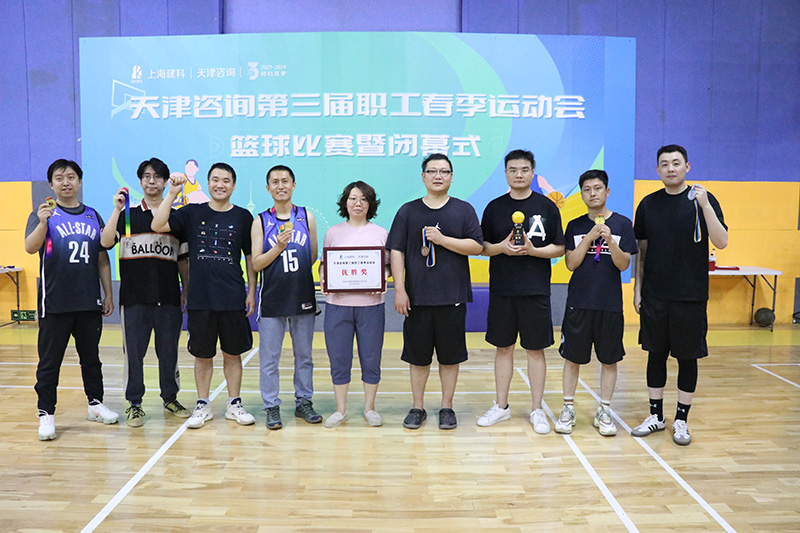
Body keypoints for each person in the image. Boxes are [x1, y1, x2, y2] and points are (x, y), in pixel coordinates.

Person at [632, 144, 727, 445]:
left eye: (676, 163)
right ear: (657, 170)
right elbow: (641, 251)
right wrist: (637, 288)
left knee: (687, 357)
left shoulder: (704, 200)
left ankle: (681, 420)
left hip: (690, 295)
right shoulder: (648, 204)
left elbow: (721, 241)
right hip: (655, 294)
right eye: (664, 164)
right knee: (655, 354)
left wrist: (706, 205)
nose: (670, 168)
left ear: (687, 167)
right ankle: (656, 416)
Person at [151, 162, 257, 429]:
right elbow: (158, 223)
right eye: (215, 180)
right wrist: (172, 193)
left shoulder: (243, 217)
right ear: (208, 183)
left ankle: (234, 403)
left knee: (233, 353)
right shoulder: (192, 212)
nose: (220, 185)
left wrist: (252, 291)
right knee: (202, 355)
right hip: (200, 298)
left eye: (226, 180)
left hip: (232, 296)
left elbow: (250, 257)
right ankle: (203, 404)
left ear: (234, 185)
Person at [387, 153, 483, 430]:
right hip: (417, 298)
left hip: (452, 297)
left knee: (450, 358)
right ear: (423, 177)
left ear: (451, 177)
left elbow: (477, 246)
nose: (438, 176)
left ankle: (446, 407)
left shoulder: (463, 210)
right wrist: (399, 289)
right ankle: (417, 407)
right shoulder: (408, 211)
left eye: (444, 171)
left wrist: (443, 240)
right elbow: (396, 251)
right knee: (417, 358)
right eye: (432, 171)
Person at [25, 159, 118, 440]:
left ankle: (95, 404)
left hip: (88, 301)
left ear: (79, 181)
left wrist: (108, 293)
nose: (66, 182)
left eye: (71, 177)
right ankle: (46, 413)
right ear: (51, 184)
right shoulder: (43, 214)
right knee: (49, 362)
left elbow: (103, 257)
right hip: (55, 302)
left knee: (91, 359)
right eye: (59, 178)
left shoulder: (92, 215)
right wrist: (43, 223)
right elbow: (30, 247)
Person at [477, 149, 565, 434]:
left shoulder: (547, 206)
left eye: (524, 170)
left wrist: (533, 250)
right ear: (505, 173)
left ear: (533, 173)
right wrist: (501, 248)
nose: (518, 174)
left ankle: (537, 409)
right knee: (503, 348)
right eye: (513, 170)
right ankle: (501, 406)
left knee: (535, 349)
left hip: (535, 290)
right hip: (502, 289)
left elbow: (559, 248)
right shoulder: (494, 207)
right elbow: (482, 247)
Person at [99, 157, 191, 427]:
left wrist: (186, 290)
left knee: (169, 353)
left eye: (157, 176)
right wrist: (116, 209)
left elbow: (183, 260)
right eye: (147, 176)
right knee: (134, 355)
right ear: (140, 181)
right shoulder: (127, 215)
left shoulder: (176, 217)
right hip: (134, 298)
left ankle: (170, 398)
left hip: (168, 298)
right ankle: (134, 404)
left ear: (165, 182)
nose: (152, 181)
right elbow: (105, 242)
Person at [554, 170, 637, 437]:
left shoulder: (623, 224)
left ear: (607, 192)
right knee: (572, 358)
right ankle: (568, 408)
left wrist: (610, 239)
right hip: (579, 302)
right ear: (582, 194)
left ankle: (605, 410)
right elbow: (570, 263)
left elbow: (623, 264)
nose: (593, 193)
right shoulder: (575, 225)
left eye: (598, 188)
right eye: (587, 189)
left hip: (609, 304)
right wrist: (590, 237)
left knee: (609, 360)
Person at [251, 165, 321, 430]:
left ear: (293, 185)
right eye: (275, 182)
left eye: (285, 181)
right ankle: (271, 406)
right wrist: (278, 247)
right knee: (270, 359)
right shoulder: (260, 221)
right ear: (268, 188)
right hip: (272, 300)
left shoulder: (306, 217)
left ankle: (304, 401)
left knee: (304, 356)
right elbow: (256, 263)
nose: (280, 186)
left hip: (302, 296)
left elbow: (311, 256)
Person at [318, 181, 388, 428]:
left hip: (371, 306)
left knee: (371, 357)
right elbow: (325, 265)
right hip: (338, 305)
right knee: (339, 357)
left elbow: (387, 266)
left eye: (363, 199)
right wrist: (325, 280)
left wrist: (381, 279)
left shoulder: (380, 233)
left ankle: (370, 408)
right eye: (353, 198)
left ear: (371, 204)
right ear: (345, 202)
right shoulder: (333, 233)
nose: (358, 203)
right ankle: (340, 410)